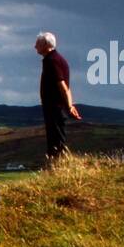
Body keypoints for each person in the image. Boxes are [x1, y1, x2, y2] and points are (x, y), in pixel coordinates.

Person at [34, 31, 80, 160]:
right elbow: (66, 87)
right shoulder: (56, 59)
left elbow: (62, 86)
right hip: (56, 107)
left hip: (55, 107)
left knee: (55, 140)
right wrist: (70, 106)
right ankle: (56, 166)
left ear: (45, 44)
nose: (35, 46)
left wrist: (70, 106)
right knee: (56, 138)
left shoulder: (52, 61)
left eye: (37, 43)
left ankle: (58, 166)